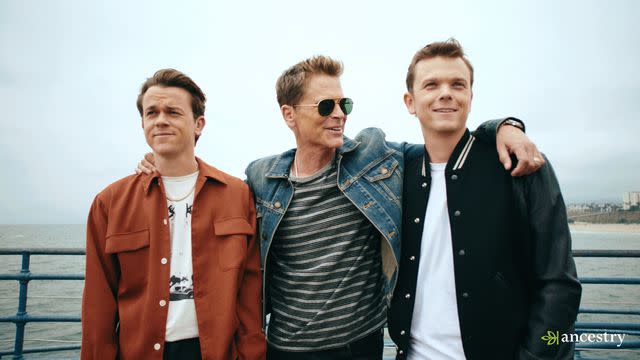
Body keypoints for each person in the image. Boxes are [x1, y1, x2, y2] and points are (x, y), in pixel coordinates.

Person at [138, 57, 542, 360]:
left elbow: (444, 142)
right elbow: (212, 200)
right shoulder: (261, 178)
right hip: (285, 349)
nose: (339, 116)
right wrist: (161, 162)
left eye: (343, 104)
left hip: (360, 347)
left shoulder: (373, 157)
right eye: (326, 106)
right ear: (289, 115)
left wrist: (502, 127)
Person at [387, 39, 581, 360]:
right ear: (410, 101)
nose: (446, 92)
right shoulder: (397, 172)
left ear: (470, 97)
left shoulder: (522, 165)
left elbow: (560, 286)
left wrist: (536, 356)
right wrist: (501, 125)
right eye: (431, 84)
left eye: (457, 84)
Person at [82, 69, 265, 360]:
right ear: (142, 122)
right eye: (151, 112)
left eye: (173, 112)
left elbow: (249, 289)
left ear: (199, 124)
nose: (161, 120)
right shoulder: (110, 203)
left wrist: (252, 354)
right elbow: (98, 303)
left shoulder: (237, 195)